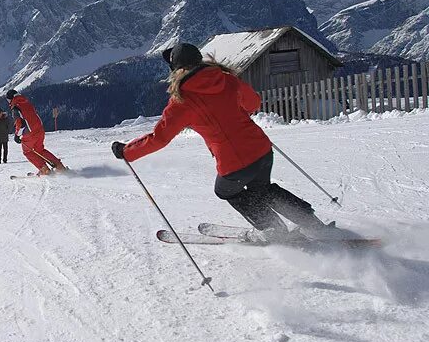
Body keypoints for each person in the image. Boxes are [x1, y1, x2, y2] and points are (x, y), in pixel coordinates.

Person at [111, 43, 329, 242]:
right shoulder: (226, 78)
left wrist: (127, 152)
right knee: (263, 189)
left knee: (225, 190)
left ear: (175, 69)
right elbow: (253, 102)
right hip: (261, 149)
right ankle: (313, 225)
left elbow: (160, 139)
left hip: (235, 162)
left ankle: (274, 230)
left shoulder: (181, 101)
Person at [6, 89, 66, 176]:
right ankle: (60, 166)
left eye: (8, 100)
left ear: (11, 99)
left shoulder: (15, 108)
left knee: (28, 152)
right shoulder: (27, 103)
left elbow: (21, 124)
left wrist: (17, 135)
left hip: (30, 133)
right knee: (40, 150)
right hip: (40, 130)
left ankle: (44, 169)